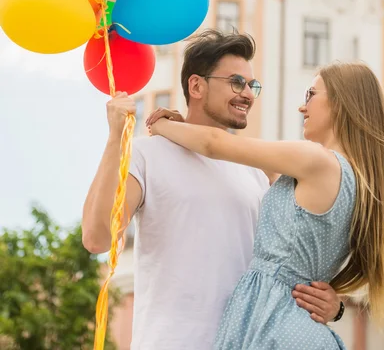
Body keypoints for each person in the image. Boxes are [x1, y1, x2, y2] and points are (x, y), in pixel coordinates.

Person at [82, 30, 342, 350]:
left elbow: (280, 267)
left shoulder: (257, 176)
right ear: (196, 86)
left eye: (252, 85)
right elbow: (97, 238)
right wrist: (114, 138)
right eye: (236, 82)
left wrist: (334, 305)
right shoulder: (147, 154)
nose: (247, 94)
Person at [148, 60, 384, 350]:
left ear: (342, 102)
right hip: (296, 327)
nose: (302, 107)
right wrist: (338, 309)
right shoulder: (354, 180)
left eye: (311, 94)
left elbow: (214, 144)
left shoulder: (316, 160)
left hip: (273, 324)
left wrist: (161, 124)